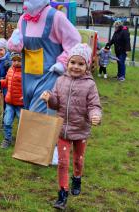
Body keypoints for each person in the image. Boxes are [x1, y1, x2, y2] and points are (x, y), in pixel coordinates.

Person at [7, 0, 81, 165]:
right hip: (28, 76)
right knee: (30, 111)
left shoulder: (56, 17)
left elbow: (74, 41)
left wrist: (62, 63)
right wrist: (15, 41)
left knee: (39, 111)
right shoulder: (23, 19)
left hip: (49, 74)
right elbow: (18, 46)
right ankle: (39, 149)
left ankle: (43, 151)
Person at [40, 43, 102, 210]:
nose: (76, 67)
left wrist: (95, 115)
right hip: (62, 130)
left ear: (87, 66)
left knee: (78, 161)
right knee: (62, 162)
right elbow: (55, 104)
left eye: (81, 64)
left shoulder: (90, 85)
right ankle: (62, 193)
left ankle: (77, 178)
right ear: (67, 63)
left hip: (81, 130)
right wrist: (49, 98)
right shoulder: (60, 81)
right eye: (73, 62)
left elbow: (94, 105)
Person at [0, 52, 23, 149]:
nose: (16, 63)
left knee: (22, 123)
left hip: (21, 104)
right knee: (7, 121)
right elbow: (6, 82)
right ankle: (7, 139)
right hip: (10, 102)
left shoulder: (25, 73)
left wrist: (26, 97)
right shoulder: (10, 70)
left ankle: (22, 140)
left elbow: (28, 86)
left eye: (19, 60)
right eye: (14, 60)